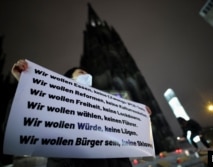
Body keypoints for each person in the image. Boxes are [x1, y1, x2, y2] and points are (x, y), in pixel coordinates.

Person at [11, 59, 152, 167]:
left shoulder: (102, 106)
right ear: (69, 80)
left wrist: (139, 115)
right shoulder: (58, 103)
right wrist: (26, 79)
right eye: (81, 73)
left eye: (88, 73)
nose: (87, 75)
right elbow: (36, 106)